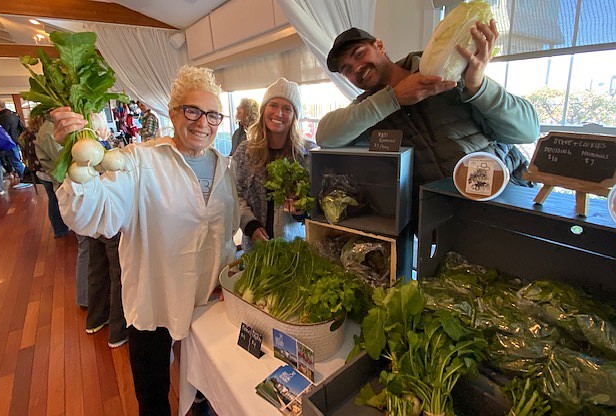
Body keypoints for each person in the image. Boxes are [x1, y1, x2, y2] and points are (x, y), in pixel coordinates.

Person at [53, 65, 239, 415]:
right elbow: (96, 215)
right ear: (172, 112)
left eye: (213, 114)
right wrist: (77, 163)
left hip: (208, 302)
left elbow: (227, 229)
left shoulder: (225, 166)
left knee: (205, 390)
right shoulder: (140, 161)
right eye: (192, 111)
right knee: (153, 398)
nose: (203, 123)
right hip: (156, 299)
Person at [317, 25, 540, 224]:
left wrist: (477, 85)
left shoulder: (446, 72)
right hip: (450, 222)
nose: (356, 68)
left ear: (380, 46)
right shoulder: (367, 110)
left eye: (359, 54)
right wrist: (393, 98)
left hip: (511, 200)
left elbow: (527, 131)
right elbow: (326, 137)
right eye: (346, 69)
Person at [232, 77, 318, 249]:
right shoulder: (244, 152)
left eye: (287, 108)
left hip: (294, 250)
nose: (279, 113)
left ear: (294, 116)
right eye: (273, 105)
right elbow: (235, 195)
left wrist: (302, 210)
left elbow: (318, 204)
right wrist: (250, 225)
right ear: (264, 110)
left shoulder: (308, 154)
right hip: (255, 250)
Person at [19, 114, 69, 238]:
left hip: (40, 171)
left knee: (53, 199)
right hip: (50, 172)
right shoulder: (46, 132)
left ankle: (60, 228)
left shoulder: (29, 132)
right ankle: (60, 229)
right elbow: (56, 156)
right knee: (56, 200)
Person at [0, 98, 32, 189]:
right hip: (15, 140)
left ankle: (26, 179)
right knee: (16, 160)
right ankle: (24, 178)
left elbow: (2, 132)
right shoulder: (13, 114)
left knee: (15, 161)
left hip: (7, 142)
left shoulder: (2, 117)